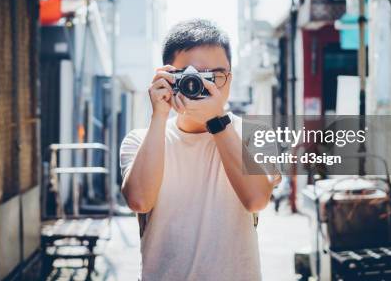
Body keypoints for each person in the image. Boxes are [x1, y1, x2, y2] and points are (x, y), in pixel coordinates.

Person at [120, 19, 280, 281]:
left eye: (215, 76)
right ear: (168, 77)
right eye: (191, 76)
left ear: (230, 77)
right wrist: (159, 116)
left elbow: (257, 200)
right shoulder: (141, 141)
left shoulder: (256, 134)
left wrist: (217, 120)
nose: (205, 86)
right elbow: (139, 201)